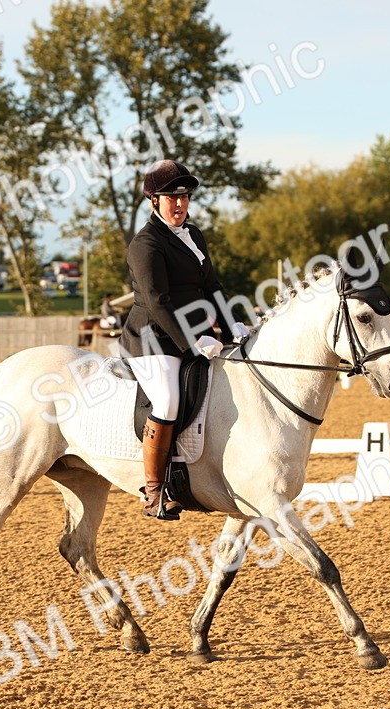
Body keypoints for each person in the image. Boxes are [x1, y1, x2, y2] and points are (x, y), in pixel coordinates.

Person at [120, 159, 248, 520]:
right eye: (171, 198)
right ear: (154, 201)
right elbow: (159, 302)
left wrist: (232, 323)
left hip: (193, 331)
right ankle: (154, 491)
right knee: (168, 401)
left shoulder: (193, 235)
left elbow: (212, 286)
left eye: (185, 197)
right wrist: (194, 343)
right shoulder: (145, 244)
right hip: (153, 338)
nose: (179, 204)